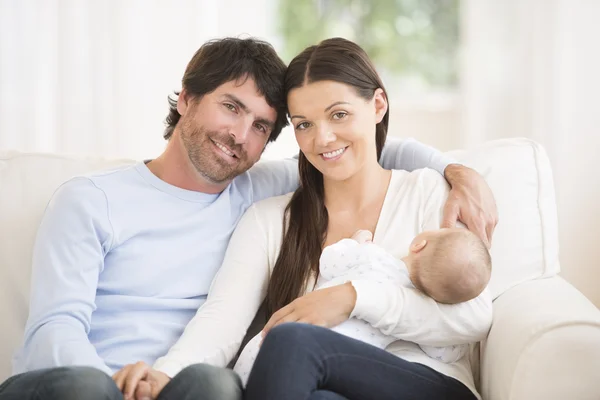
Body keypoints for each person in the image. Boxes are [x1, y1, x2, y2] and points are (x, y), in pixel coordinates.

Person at [0, 37, 497, 400]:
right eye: (303, 125)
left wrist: (457, 171)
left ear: (379, 105)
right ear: (187, 99)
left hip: (420, 383)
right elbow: (219, 321)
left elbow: (373, 155)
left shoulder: (431, 193)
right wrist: (152, 381)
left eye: (261, 125)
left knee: (251, 366)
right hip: (91, 381)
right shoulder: (266, 208)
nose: (322, 139)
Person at [232, 227, 492, 385]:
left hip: (271, 346)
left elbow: (329, 263)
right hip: (321, 369)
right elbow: (442, 354)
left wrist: (355, 241)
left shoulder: (374, 256)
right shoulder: (413, 318)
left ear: (419, 244)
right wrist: (457, 347)